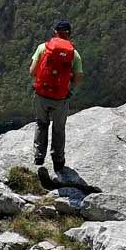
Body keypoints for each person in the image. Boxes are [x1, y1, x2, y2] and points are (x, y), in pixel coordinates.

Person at [29, 19, 83, 174]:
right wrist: (68, 85)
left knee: (41, 124)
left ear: (55, 32)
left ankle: (39, 157)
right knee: (59, 128)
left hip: (41, 95)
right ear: (69, 34)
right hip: (60, 98)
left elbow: (32, 71)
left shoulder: (43, 48)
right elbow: (78, 79)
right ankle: (58, 161)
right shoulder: (74, 54)